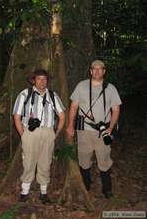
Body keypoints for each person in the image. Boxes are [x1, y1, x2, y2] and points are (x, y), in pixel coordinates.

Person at [66, 60, 122, 199]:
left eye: (100, 69)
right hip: (84, 130)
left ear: (104, 71)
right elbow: (73, 107)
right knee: (84, 158)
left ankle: (107, 189)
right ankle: (86, 185)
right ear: (90, 71)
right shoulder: (81, 86)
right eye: (94, 69)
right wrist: (70, 125)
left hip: (103, 132)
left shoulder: (110, 88)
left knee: (104, 158)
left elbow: (116, 109)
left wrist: (111, 127)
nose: (97, 71)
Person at [13, 69, 65, 204]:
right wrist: (23, 135)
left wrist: (55, 133)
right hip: (30, 133)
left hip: (48, 132)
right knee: (28, 162)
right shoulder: (25, 94)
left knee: (45, 162)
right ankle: (24, 192)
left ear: (47, 81)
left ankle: (44, 193)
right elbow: (17, 116)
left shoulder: (53, 95)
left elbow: (62, 116)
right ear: (33, 80)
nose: (42, 82)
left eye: (44, 79)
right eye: (39, 79)